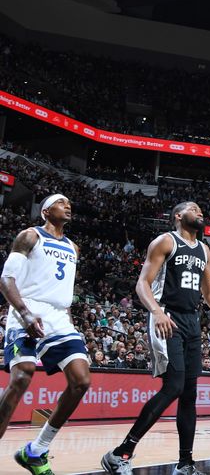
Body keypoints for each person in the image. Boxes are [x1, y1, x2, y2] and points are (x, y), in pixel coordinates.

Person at [102, 202, 210, 475]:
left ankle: (185, 463)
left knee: (189, 394)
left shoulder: (204, 250)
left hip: (192, 321)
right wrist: (156, 312)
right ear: (179, 216)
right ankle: (121, 452)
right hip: (167, 316)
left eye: (203, 209)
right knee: (174, 386)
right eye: (194, 209)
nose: (201, 212)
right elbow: (142, 283)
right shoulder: (165, 241)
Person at [0, 194, 92, 474]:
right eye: (61, 202)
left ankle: (36, 451)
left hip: (59, 316)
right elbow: (6, 279)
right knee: (22, 375)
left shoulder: (73, 248)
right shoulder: (30, 236)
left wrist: (70, 322)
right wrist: (25, 313)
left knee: (81, 380)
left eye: (69, 203)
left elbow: (62, 290)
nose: (68, 205)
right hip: (27, 307)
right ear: (45, 211)